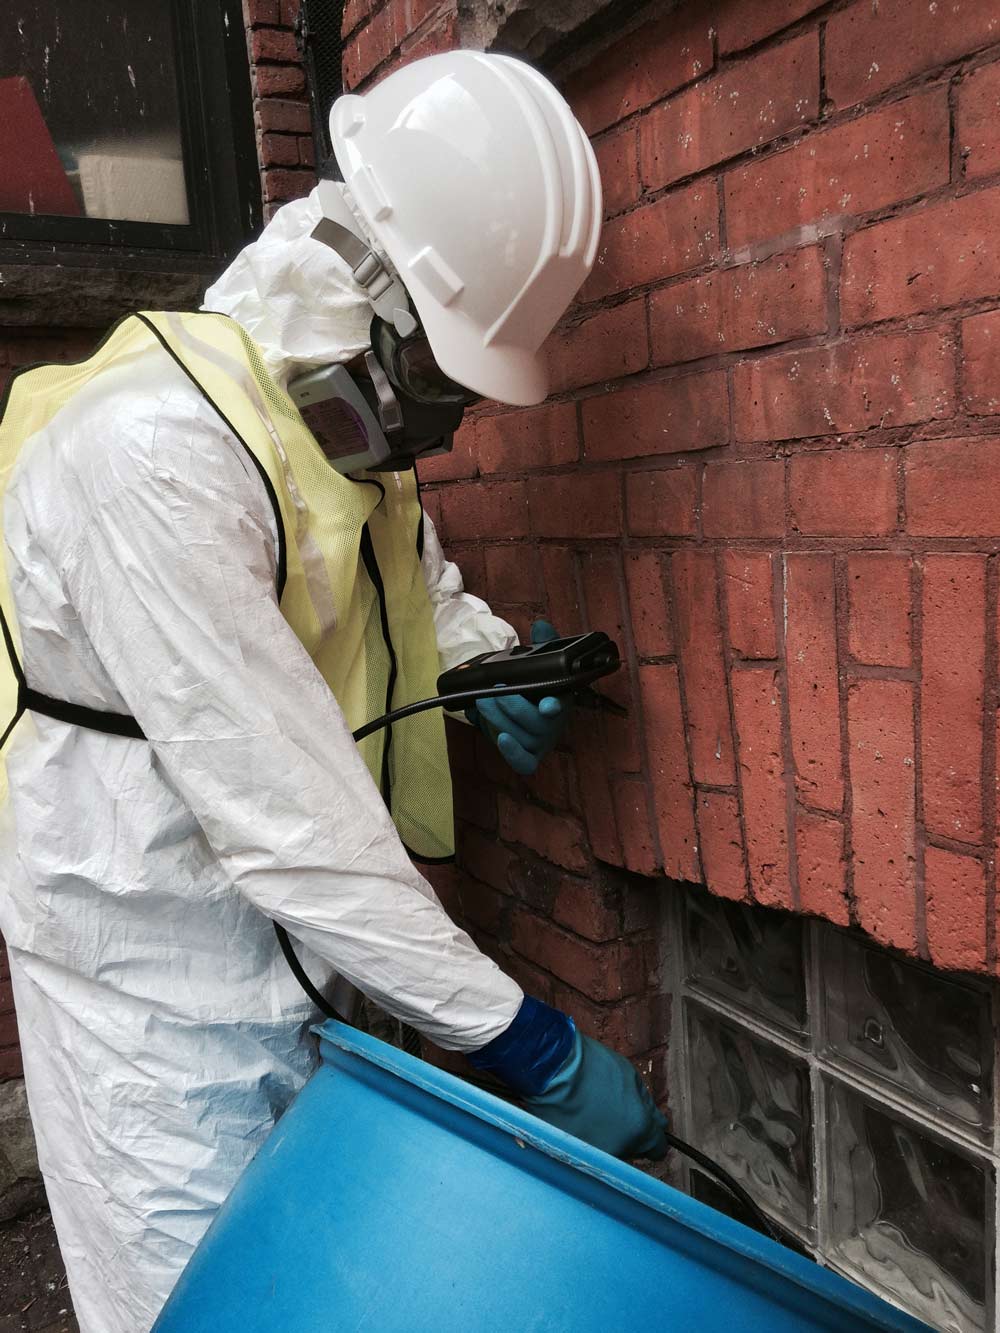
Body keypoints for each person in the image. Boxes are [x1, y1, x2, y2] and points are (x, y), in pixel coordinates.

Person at [0, 51, 666, 1333]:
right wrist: (532, 1048)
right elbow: (293, 828)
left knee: (315, 1286)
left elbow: (393, 567)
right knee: (191, 1304)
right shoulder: (148, 457)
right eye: (446, 389)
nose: (453, 431)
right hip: (148, 986)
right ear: (371, 310)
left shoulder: (320, 429)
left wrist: (478, 667)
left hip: (299, 959)